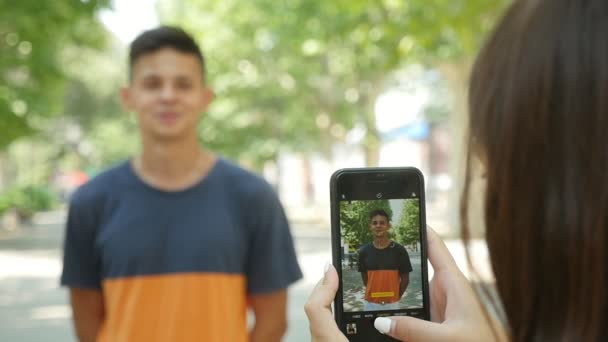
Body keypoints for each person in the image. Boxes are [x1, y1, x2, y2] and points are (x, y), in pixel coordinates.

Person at [305, 0, 608, 341]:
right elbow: (361, 279)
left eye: (491, 174)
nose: (488, 192)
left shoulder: (400, 252)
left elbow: (404, 278)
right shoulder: (363, 253)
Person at [60, 26, 302, 342]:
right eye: (152, 84)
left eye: (183, 84)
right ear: (128, 97)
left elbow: (273, 323)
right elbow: (87, 324)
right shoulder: (90, 201)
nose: (168, 96)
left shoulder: (253, 197)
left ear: (205, 97)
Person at [357, 209, 412, 311]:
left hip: (393, 304)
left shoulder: (399, 250)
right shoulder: (364, 251)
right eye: (375, 223)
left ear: (388, 226)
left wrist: (396, 297)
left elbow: (405, 280)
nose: (378, 226)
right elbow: (365, 280)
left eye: (382, 223)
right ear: (370, 226)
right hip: (370, 304)